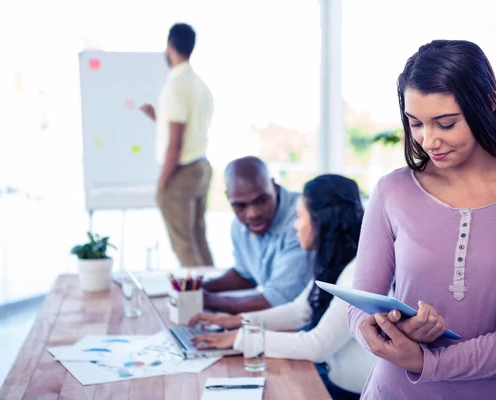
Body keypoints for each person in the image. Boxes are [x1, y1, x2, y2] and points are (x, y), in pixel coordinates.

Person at [347, 40, 496, 400]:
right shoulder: (392, 190)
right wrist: (385, 327)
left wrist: (427, 361)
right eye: (416, 123)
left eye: (446, 123)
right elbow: (359, 304)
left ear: (487, 103)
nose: (429, 140)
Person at [190, 174, 376, 399]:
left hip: (352, 394)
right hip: (333, 381)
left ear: (320, 221)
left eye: (299, 216)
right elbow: (300, 311)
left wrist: (239, 338)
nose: (295, 225)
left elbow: (316, 346)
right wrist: (237, 321)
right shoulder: (338, 260)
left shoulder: (358, 272)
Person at [139, 23, 214, 267]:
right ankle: (214, 295)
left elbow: (176, 142)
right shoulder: (199, 85)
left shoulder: (175, 86)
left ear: (170, 46)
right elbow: (187, 130)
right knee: (198, 239)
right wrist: (157, 118)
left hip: (182, 173)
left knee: (183, 245)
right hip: (201, 166)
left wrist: (162, 184)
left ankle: (200, 301)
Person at [200, 156, 312, 314]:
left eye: (262, 200)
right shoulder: (239, 225)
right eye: (240, 205)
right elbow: (246, 275)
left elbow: (277, 300)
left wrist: (205, 299)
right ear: (229, 198)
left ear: (273, 185)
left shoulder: (302, 221)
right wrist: (200, 287)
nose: (253, 214)